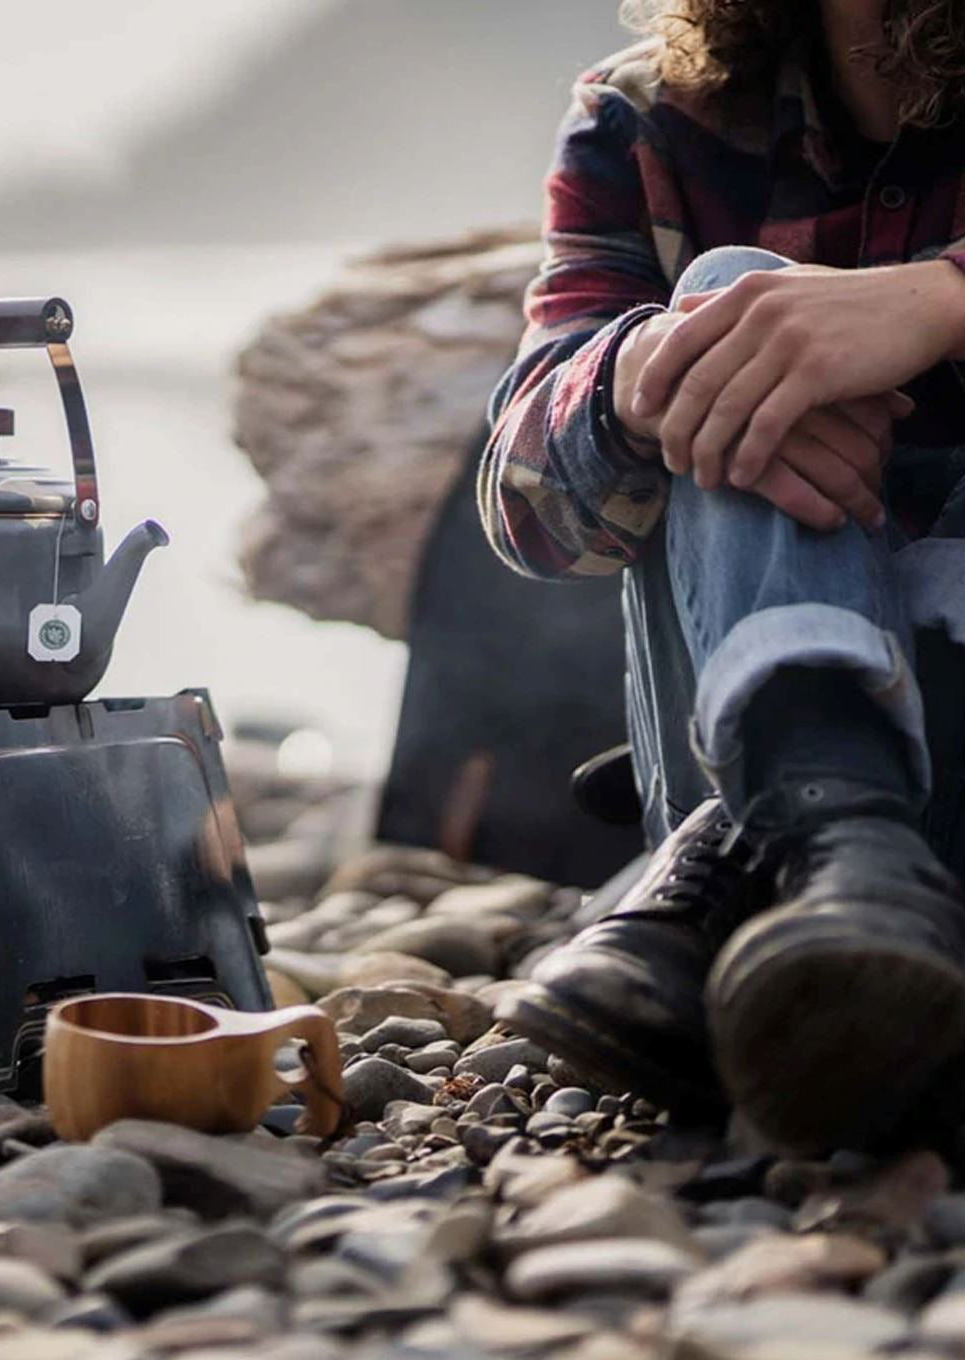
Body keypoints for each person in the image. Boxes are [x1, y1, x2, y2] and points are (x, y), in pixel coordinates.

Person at [478, 0, 965, 1153]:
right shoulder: (642, 120)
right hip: (746, 739)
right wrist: (648, 377)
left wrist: (935, 303)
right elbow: (528, 521)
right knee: (722, 304)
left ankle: (735, 891)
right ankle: (840, 849)